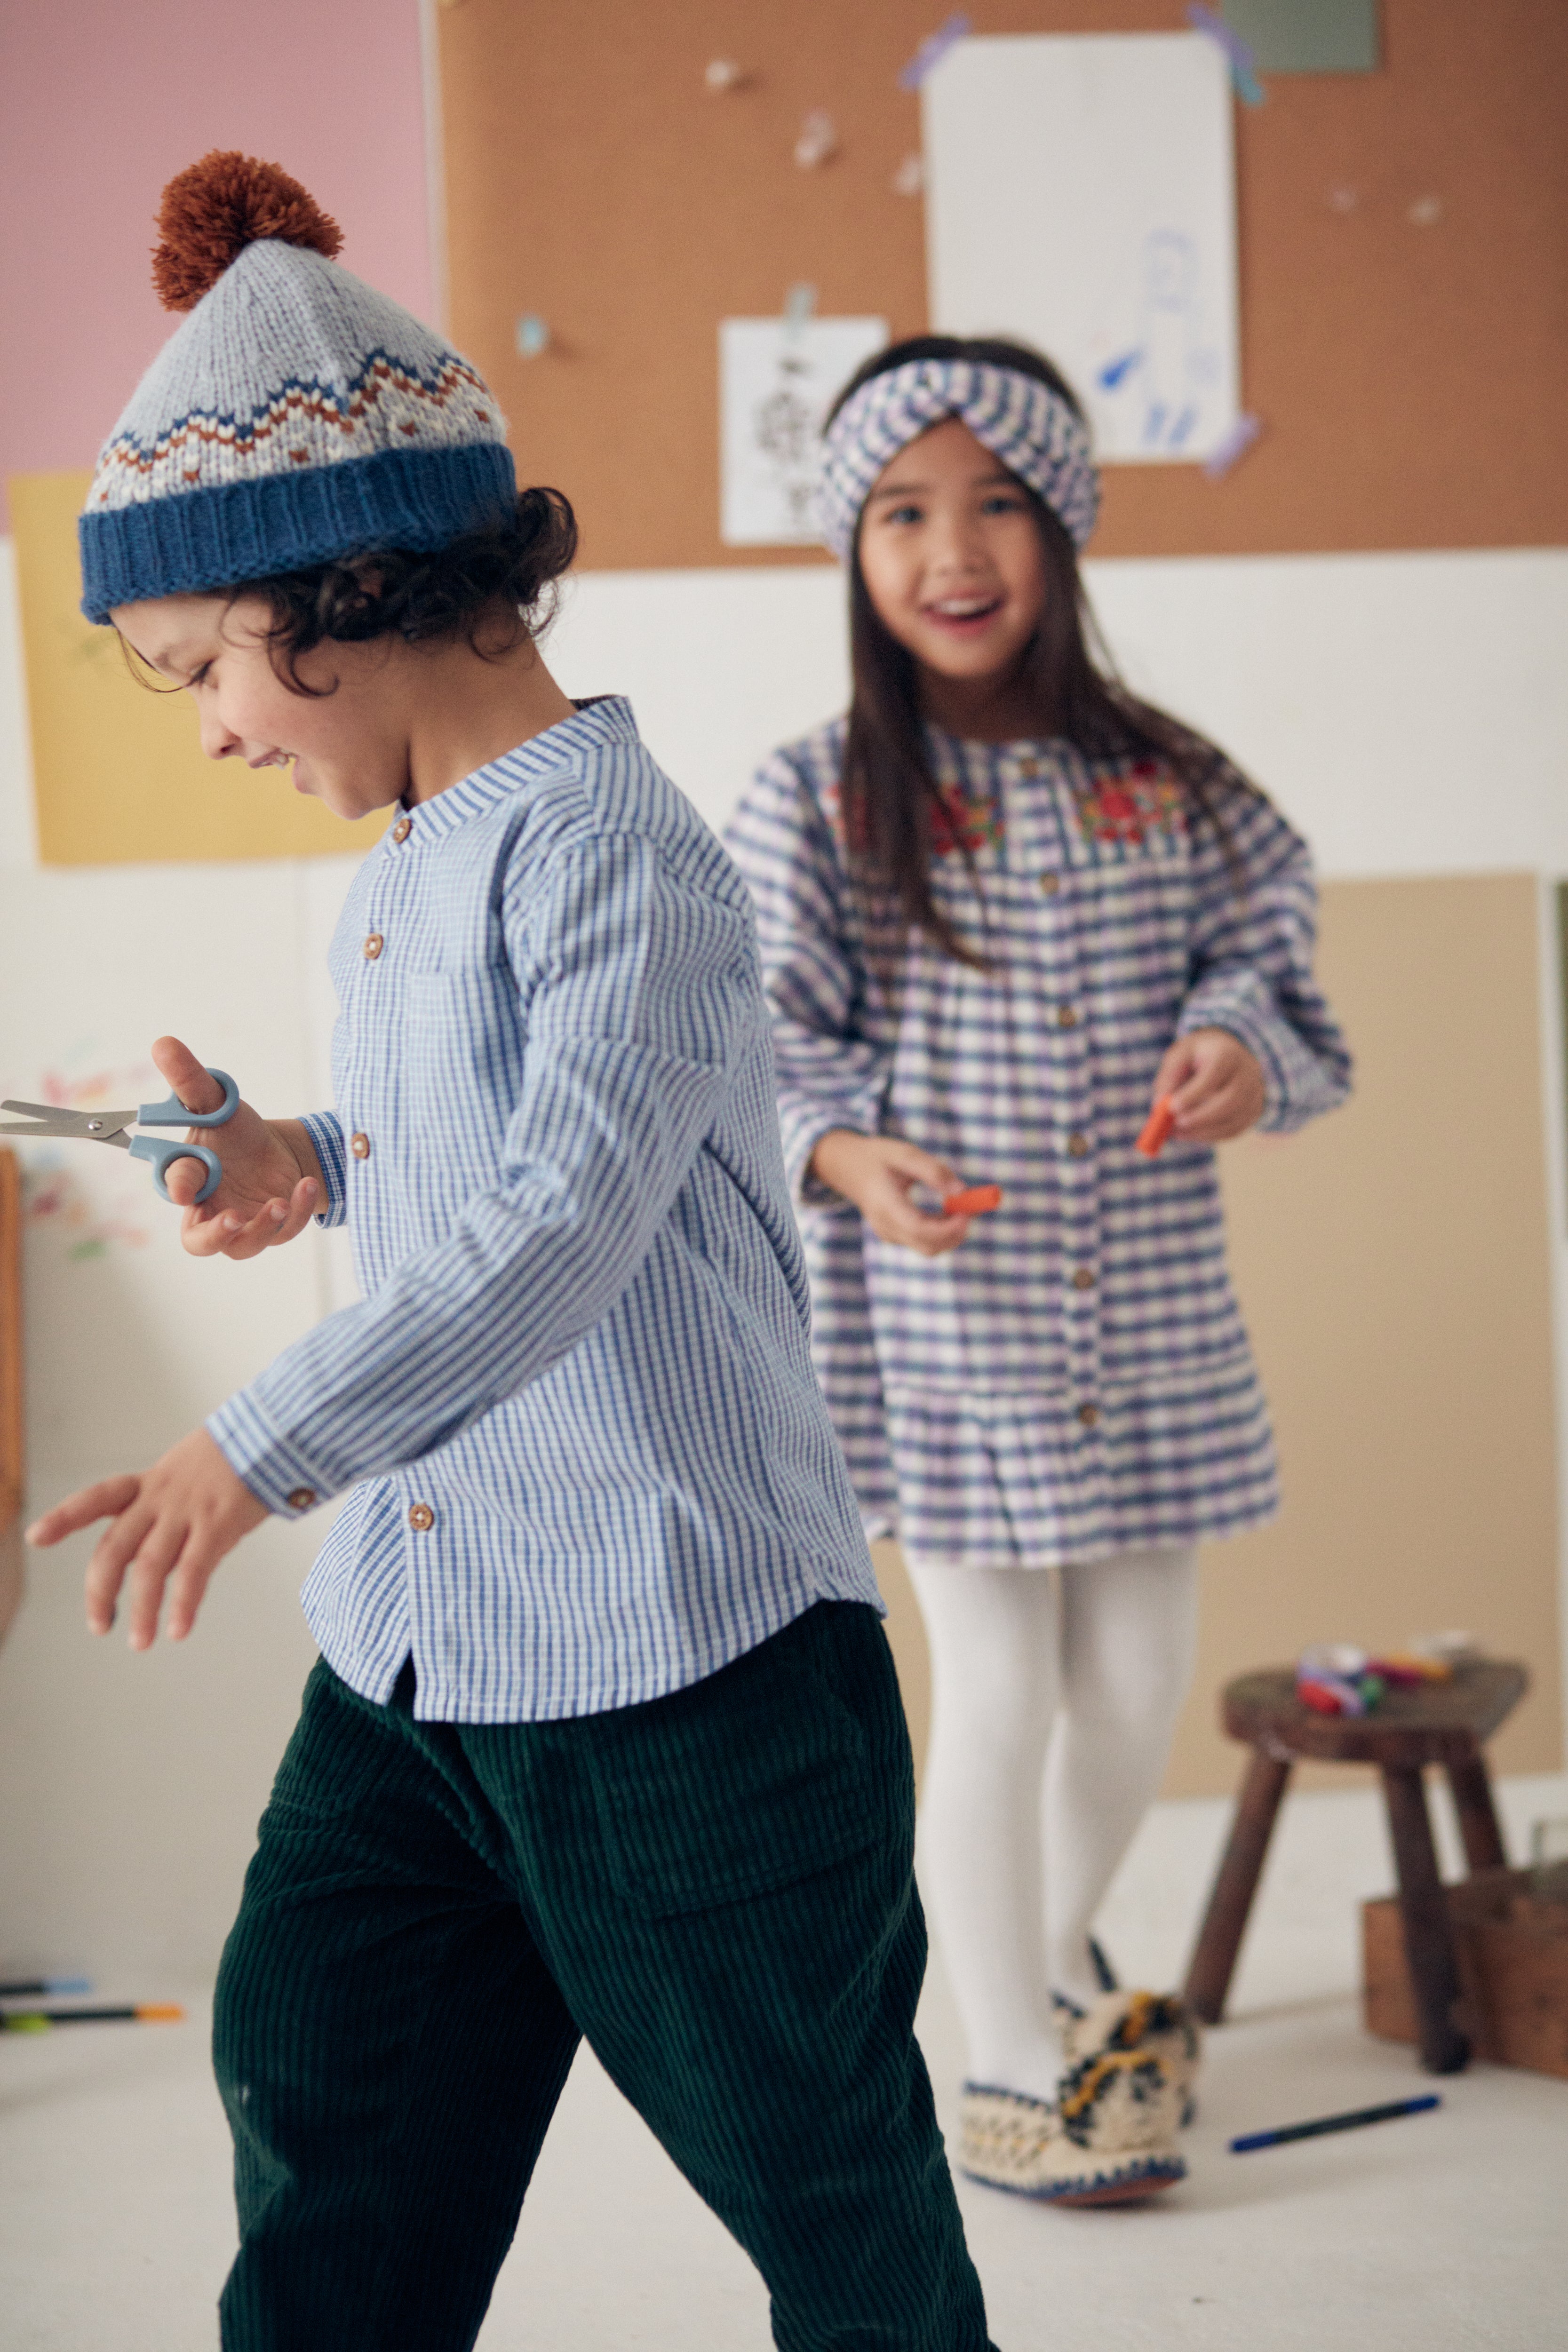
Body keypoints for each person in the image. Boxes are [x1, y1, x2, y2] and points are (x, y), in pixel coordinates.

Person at [27, 160, 998, 2352]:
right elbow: (482, 1151)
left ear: (333, 590)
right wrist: (308, 1152)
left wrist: (252, 1444)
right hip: (415, 1652)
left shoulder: (624, 851)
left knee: (828, 2184)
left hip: (682, 1677)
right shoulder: (401, 860)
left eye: (205, 670)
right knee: (317, 2084)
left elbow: (566, 1216)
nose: (213, 727)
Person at [725, 335, 1352, 2205]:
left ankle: (1042, 1942)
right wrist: (842, 1149)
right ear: (854, 547)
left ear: (1063, 523)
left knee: (1139, 1675)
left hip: (1153, 1307)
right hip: (953, 1321)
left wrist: (1241, 1044)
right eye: (903, 511)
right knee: (998, 1683)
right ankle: (1006, 2055)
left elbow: (1276, 961)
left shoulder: (1177, 783)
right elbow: (766, 1044)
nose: (954, 547)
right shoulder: (819, 792)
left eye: (996, 500)